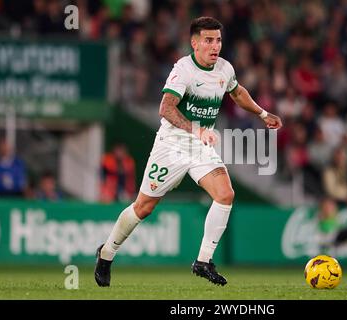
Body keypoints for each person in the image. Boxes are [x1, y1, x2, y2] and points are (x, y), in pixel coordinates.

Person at [94, 17, 282, 287]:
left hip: (200, 146)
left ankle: (203, 261)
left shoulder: (224, 69)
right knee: (143, 207)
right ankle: (107, 253)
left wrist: (263, 113)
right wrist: (197, 130)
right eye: (208, 40)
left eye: (218, 40)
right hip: (171, 145)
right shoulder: (183, 70)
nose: (215, 45)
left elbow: (238, 93)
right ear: (194, 43)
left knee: (225, 194)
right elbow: (166, 108)